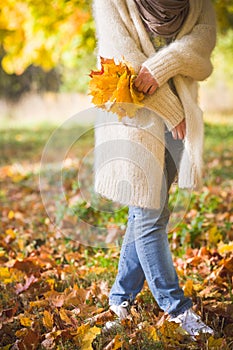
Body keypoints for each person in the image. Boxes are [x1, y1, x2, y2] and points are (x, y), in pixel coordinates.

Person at [92, 0, 216, 338]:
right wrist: (172, 110)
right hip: (137, 119)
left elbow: (203, 45)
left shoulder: (197, 2)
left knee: (150, 215)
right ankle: (177, 309)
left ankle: (119, 299)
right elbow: (123, 60)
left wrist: (163, 65)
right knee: (148, 217)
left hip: (182, 122)